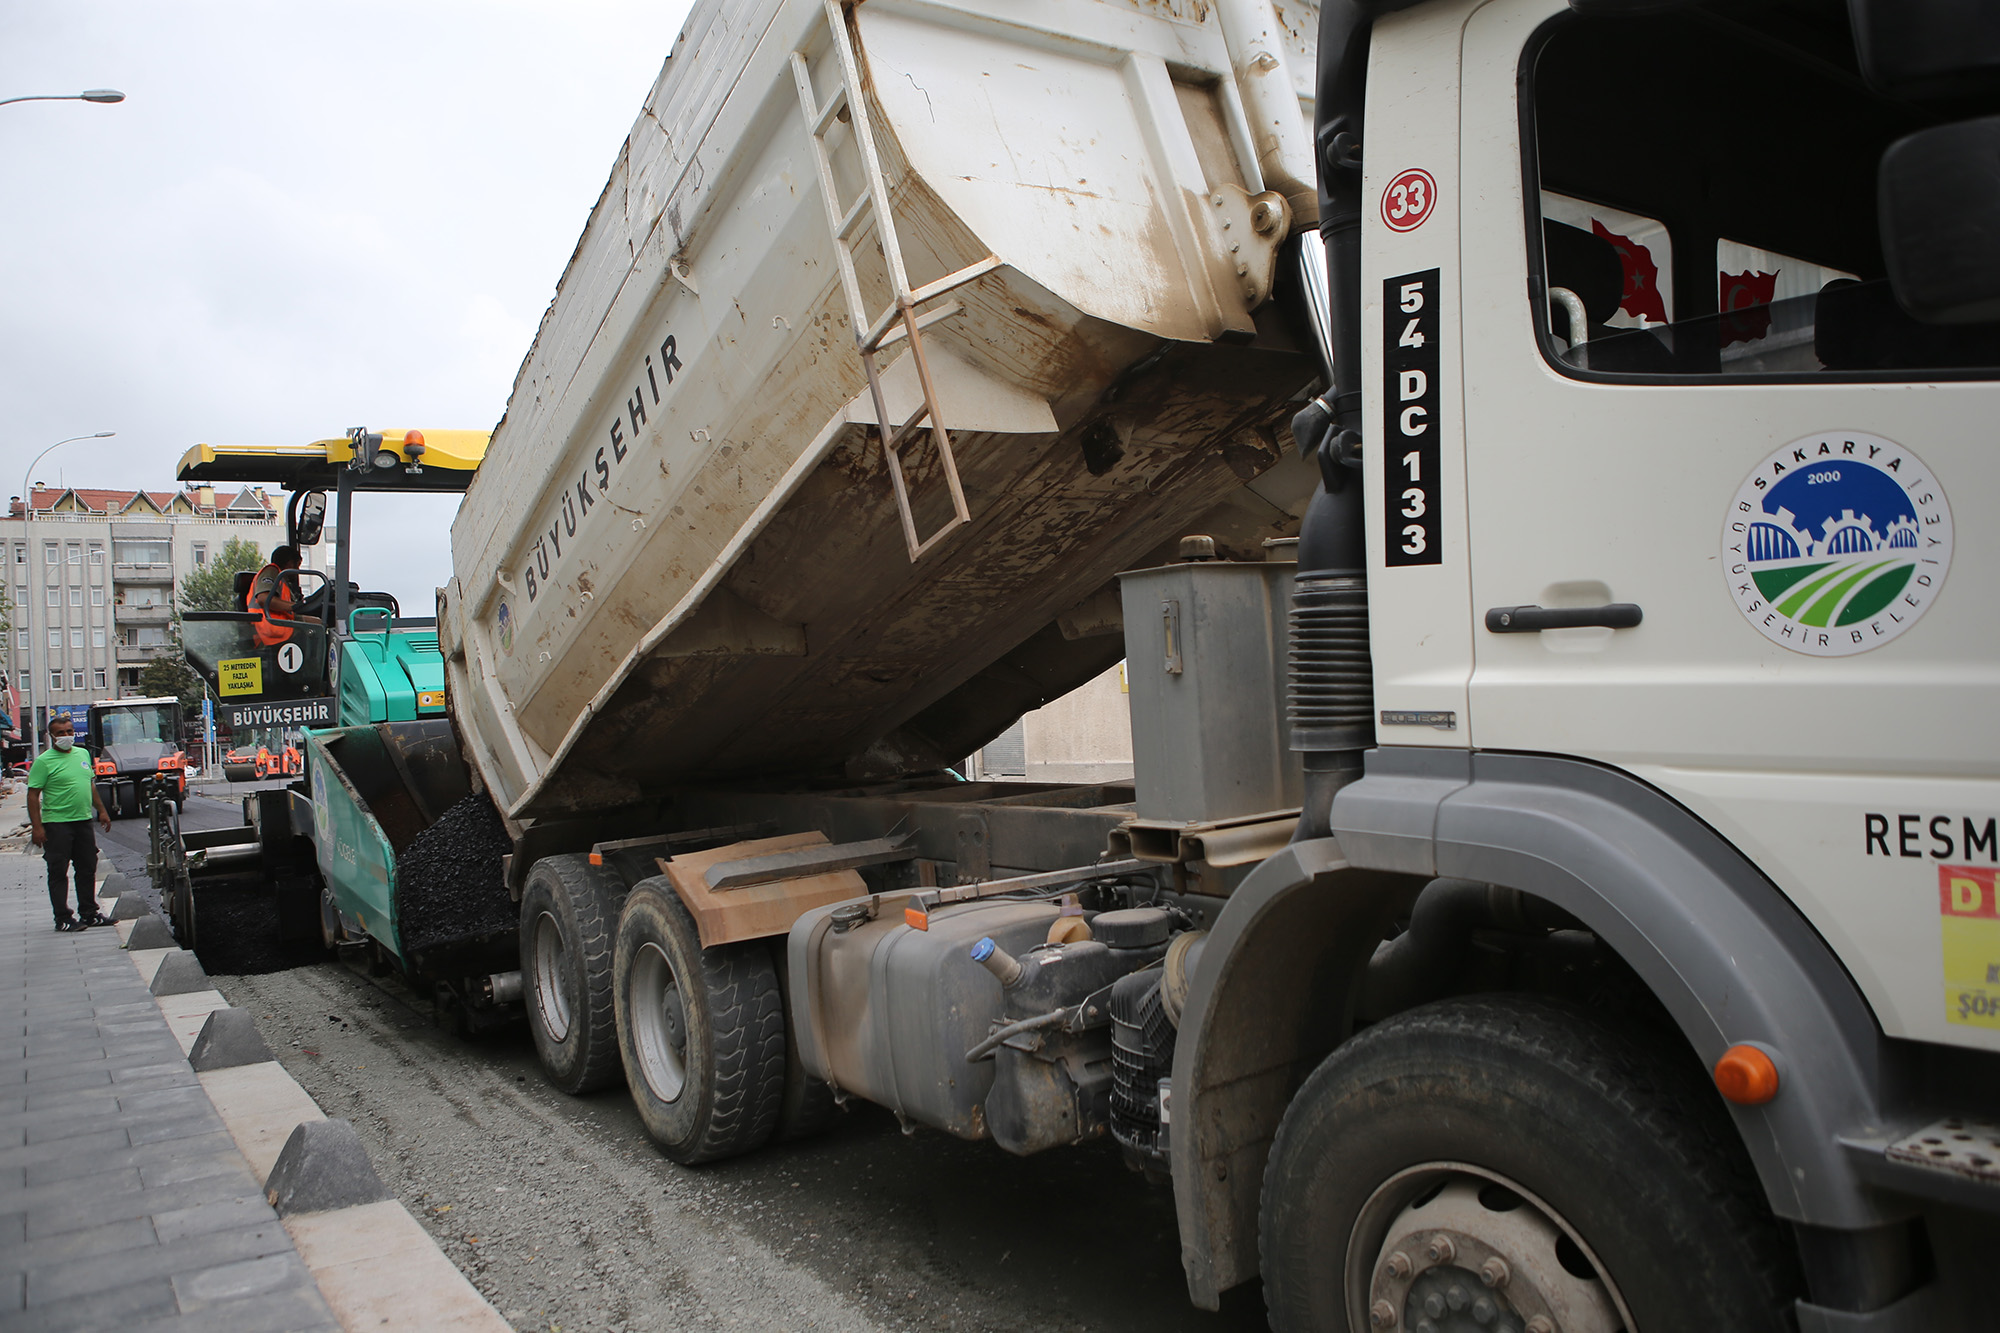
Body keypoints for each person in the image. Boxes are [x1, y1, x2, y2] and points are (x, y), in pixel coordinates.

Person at [28, 714, 112, 932]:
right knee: (58, 871)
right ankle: (63, 918)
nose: (66, 736)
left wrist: (102, 811)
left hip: (83, 821)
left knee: (87, 867)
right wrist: (37, 828)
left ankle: (90, 913)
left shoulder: (82, 754)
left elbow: (90, 785)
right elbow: (32, 795)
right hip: (56, 824)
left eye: (69, 731)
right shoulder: (43, 761)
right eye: (61, 733)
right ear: (52, 736)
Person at [246, 545, 322, 647]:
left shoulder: (283, 581)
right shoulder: (271, 571)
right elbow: (263, 598)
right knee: (317, 628)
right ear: (289, 563)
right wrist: (294, 606)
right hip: (269, 628)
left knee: (319, 622)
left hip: (281, 623)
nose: (298, 570)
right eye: (297, 566)